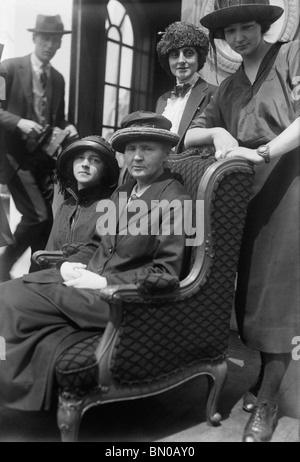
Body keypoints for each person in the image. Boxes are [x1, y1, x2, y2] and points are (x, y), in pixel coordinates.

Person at [0, 111, 192, 412]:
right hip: (84, 283)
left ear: (166, 153)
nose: (137, 157)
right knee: (8, 293)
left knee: (8, 301)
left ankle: (10, 386)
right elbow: (95, 244)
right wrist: (68, 265)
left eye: (147, 149)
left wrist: (104, 282)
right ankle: (9, 381)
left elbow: (166, 274)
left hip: (118, 301)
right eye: (131, 149)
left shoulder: (177, 202)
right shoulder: (124, 192)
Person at [184, 0, 300, 443]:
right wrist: (216, 133)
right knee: (249, 294)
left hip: (289, 184)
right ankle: (264, 381)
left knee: (278, 296)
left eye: (248, 27)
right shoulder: (227, 86)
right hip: (243, 196)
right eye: (231, 32)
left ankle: (268, 401)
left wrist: (266, 151)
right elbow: (187, 132)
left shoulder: (290, 54)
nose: (239, 38)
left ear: (264, 26)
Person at [0, 14, 78, 281]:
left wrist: (69, 128)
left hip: (44, 162)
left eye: (55, 40)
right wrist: (19, 121)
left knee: (46, 225)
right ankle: (3, 266)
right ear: (35, 38)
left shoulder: (57, 78)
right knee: (37, 217)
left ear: (59, 44)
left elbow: (59, 120)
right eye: (45, 38)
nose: (50, 44)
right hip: (15, 159)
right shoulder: (8, 68)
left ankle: (36, 278)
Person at [45, 135, 119, 255]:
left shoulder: (110, 206)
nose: (85, 164)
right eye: (80, 158)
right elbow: (50, 251)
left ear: (105, 170)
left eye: (95, 160)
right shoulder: (65, 207)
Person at [156, 21, 217, 153]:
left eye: (188, 53)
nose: (181, 60)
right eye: (175, 55)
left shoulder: (214, 93)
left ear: (198, 57)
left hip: (196, 168)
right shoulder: (162, 100)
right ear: (168, 61)